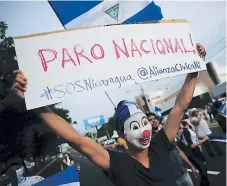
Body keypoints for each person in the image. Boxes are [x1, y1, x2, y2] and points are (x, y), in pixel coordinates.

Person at [11, 43, 205, 186]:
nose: (145, 131)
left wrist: (194, 69)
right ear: (122, 135)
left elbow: (180, 106)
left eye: (144, 122)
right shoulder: (116, 163)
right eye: (134, 127)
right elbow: (76, 140)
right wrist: (31, 98)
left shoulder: (160, 144)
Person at [149, 115, 198, 186]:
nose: (153, 121)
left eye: (154, 118)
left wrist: (191, 166)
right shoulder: (151, 141)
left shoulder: (166, 133)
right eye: (150, 120)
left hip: (183, 172)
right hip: (171, 178)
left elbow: (179, 151)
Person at [181, 120, 210, 186]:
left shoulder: (189, 129)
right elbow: (191, 145)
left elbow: (192, 138)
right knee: (203, 171)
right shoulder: (185, 131)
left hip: (196, 151)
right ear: (187, 123)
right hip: (193, 153)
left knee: (204, 169)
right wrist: (204, 140)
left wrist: (200, 137)